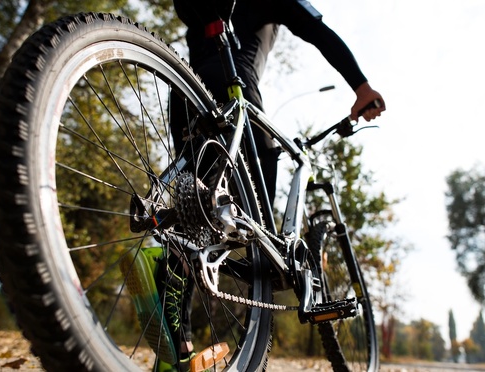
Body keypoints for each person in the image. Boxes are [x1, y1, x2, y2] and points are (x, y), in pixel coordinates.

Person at [155, 0, 386, 370]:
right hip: (235, 88)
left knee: (192, 216)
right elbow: (319, 33)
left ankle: (177, 340)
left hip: (184, 90)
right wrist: (361, 86)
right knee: (258, 232)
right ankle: (259, 300)